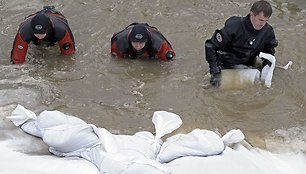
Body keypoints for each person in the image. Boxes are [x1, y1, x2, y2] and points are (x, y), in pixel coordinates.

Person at [204, 0, 278, 87]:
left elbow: (269, 52)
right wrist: (215, 71)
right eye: (260, 20)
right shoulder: (234, 27)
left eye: (266, 21)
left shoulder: (268, 32)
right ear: (252, 14)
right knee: (210, 86)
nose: (263, 24)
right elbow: (210, 46)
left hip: (248, 65)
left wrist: (267, 66)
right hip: (226, 64)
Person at [11, 6, 75, 64]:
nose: (39, 36)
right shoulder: (24, 33)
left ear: (48, 29)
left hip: (56, 16)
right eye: (36, 33)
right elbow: (17, 60)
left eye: (42, 33)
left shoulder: (61, 31)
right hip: (30, 18)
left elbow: (69, 55)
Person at [111, 23, 175, 61]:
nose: (138, 47)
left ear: (146, 41)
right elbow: (117, 61)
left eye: (141, 43)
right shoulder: (119, 43)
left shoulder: (160, 44)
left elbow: (169, 62)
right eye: (134, 42)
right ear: (130, 40)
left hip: (153, 36)